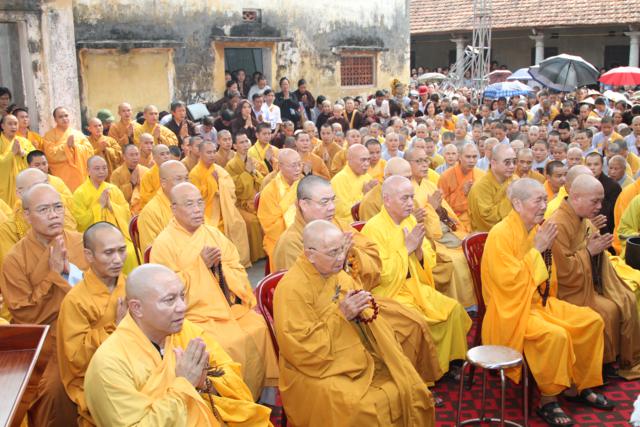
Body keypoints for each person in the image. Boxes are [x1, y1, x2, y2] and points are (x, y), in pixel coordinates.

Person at [271, 175, 442, 386]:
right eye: (324, 202)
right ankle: (394, 381)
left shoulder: (337, 225)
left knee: (412, 323)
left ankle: (414, 384)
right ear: (303, 205)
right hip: (325, 327)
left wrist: (350, 255)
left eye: (333, 200)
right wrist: (340, 263)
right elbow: (302, 298)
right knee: (387, 339)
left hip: (354, 300)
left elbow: (372, 255)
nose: (332, 207)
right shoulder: (290, 243)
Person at [274, 219, 435, 426]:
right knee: (360, 408)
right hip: (313, 366)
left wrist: (360, 306)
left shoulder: (336, 274)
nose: (341, 257)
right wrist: (342, 315)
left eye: (342, 249)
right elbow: (300, 347)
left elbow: (359, 303)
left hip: (351, 349)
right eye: (333, 253)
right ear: (310, 254)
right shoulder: (291, 289)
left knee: (405, 379)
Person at [482, 178, 611, 426]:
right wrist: (537, 250)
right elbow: (507, 283)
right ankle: (548, 400)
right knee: (555, 335)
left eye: (545, 199)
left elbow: (548, 277)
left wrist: (541, 248)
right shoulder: (500, 234)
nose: (544, 205)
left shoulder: (534, 229)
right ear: (517, 204)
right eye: (538, 200)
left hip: (538, 302)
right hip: (511, 310)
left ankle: (579, 386)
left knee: (591, 320)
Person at [83, 264, 273, 426]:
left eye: (182, 296)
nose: (182, 307)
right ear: (137, 308)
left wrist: (205, 383)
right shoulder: (109, 365)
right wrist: (185, 384)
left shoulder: (184, 330)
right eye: (169, 300)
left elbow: (228, 371)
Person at [150, 183, 279, 398]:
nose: (197, 209)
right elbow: (165, 292)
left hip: (228, 306)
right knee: (227, 343)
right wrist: (200, 266)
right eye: (189, 204)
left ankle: (260, 396)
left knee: (260, 326)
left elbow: (237, 267)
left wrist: (219, 267)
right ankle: (229, 399)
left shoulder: (212, 233)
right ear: (174, 209)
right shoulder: (163, 244)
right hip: (193, 316)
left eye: (200, 202)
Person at [362, 176, 472, 377]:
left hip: (415, 286)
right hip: (390, 292)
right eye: (404, 198)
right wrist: (408, 248)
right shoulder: (373, 229)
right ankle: (423, 373)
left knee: (453, 309)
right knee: (418, 322)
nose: (410, 203)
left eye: (411, 197)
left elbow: (429, 256)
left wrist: (419, 251)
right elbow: (380, 274)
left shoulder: (411, 220)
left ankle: (449, 363)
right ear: (387, 200)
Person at [1, 184, 86, 426]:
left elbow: (103, 290)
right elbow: (26, 316)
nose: (53, 215)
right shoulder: (15, 259)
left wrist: (72, 275)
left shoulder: (81, 243)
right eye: (44, 209)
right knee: (52, 391)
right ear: (27, 215)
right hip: (49, 341)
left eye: (58, 207)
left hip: (89, 331)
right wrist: (54, 275)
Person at [549, 174, 640, 378]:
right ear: (576, 197)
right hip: (567, 290)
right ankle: (602, 363)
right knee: (608, 310)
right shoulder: (558, 224)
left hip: (586, 281)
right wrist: (589, 251)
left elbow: (587, 246)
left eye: (601, 201)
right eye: (595, 201)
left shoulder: (581, 218)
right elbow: (563, 272)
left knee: (626, 298)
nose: (599, 206)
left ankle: (613, 359)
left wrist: (596, 246)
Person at [56, 222, 128, 426]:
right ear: (89, 255)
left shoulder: (131, 285)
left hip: (138, 369)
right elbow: (76, 359)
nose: (118, 259)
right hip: (97, 378)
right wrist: (115, 327)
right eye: (109, 253)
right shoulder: (76, 301)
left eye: (122, 250)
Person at [405, 146, 475, 308]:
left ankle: (474, 302)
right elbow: (410, 223)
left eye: (426, 160)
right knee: (456, 261)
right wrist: (429, 208)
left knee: (470, 250)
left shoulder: (430, 185)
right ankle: (458, 304)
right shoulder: (406, 189)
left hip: (444, 232)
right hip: (427, 239)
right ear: (408, 164)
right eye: (419, 161)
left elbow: (446, 213)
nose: (424, 165)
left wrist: (437, 209)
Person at [189, 140, 251, 267]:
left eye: (213, 152)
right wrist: (213, 186)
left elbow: (231, 189)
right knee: (216, 229)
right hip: (207, 212)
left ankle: (237, 261)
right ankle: (221, 263)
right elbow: (196, 197)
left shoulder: (218, 170)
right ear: (200, 153)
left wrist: (220, 184)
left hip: (224, 208)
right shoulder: (194, 173)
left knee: (239, 224)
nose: (212, 155)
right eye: (208, 152)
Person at [72, 156, 138, 274]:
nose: (101, 171)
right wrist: (100, 206)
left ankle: (129, 281)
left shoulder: (113, 189)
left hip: (116, 233)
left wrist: (111, 206)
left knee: (131, 251)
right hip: (94, 238)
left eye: (104, 168)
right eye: (97, 168)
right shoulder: (80, 193)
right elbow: (80, 221)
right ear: (88, 171)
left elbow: (126, 211)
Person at [225, 131, 267, 263]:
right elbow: (233, 187)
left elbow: (263, 181)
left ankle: (267, 249)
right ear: (235, 146)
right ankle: (257, 254)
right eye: (241, 142)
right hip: (241, 202)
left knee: (267, 215)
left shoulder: (254, 161)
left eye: (246, 141)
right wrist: (247, 173)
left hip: (255, 199)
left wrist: (253, 172)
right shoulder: (231, 165)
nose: (245, 145)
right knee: (252, 221)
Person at [257, 149, 302, 258]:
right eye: (293, 165)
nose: (298, 169)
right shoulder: (269, 191)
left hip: (306, 233)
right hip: (279, 238)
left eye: (299, 164)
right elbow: (270, 225)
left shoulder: (304, 183)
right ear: (280, 166)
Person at [138, 160, 189, 251]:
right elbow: (152, 252)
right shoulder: (150, 213)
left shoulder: (191, 204)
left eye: (186, 178)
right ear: (163, 183)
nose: (185, 184)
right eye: (178, 179)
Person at [43, 107, 94, 191]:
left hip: (79, 174)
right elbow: (50, 155)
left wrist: (75, 147)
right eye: (60, 117)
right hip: (62, 175)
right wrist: (66, 147)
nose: (64, 119)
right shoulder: (49, 135)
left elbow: (90, 151)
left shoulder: (78, 134)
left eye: (66, 116)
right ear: (55, 119)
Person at [467, 144, 516, 231]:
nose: (512, 166)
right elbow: (487, 219)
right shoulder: (480, 187)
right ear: (493, 163)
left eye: (514, 162)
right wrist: (509, 199)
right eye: (507, 162)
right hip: (489, 234)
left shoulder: (515, 180)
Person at [437, 143, 485, 230]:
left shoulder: (481, 175)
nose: (471, 160)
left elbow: (485, 203)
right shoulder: (446, 176)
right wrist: (463, 193)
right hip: (454, 222)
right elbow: (441, 206)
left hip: (477, 221)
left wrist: (471, 195)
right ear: (459, 157)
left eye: (474, 157)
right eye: (468, 157)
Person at [330, 144, 377, 222]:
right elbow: (342, 212)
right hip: (347, 225)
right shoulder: (340, 179)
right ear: (350, 160)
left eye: (368, 160)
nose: (367, 164)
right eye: (363, 160)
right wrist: (364, 195)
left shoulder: (367, 177)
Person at [0, 114, 35, 205]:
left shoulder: (24, 142)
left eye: (15, 124)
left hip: (23, 184)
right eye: (10, 124)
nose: (13, 127)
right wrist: (12, 154)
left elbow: (35, 160)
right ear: (2, 126)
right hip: (4, 186)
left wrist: (22, 153)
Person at [585, 152, 621, 236]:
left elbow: (614, 214)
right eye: (589, 165)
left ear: (602, 166)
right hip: (586, 229)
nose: (592, 168)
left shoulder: (613, 186)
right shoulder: (581, 184)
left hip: (607, 231)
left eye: (596, 164)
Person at [110, 143, 149, 215]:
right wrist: (131, 184)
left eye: (137, 154)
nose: (135, 158)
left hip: (143, 210)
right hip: (124, 211)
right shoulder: (116, 174)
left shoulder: (146, 171)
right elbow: (115, 196)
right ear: (124, 157)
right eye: (131, 155)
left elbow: (150, 192)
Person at [139, 143, 171, 210]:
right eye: (162, 154)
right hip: (157, 207)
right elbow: (146, 197)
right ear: (154, 157)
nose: (166, 156)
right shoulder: (148, 175)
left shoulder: (176, 170)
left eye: (168, 153)